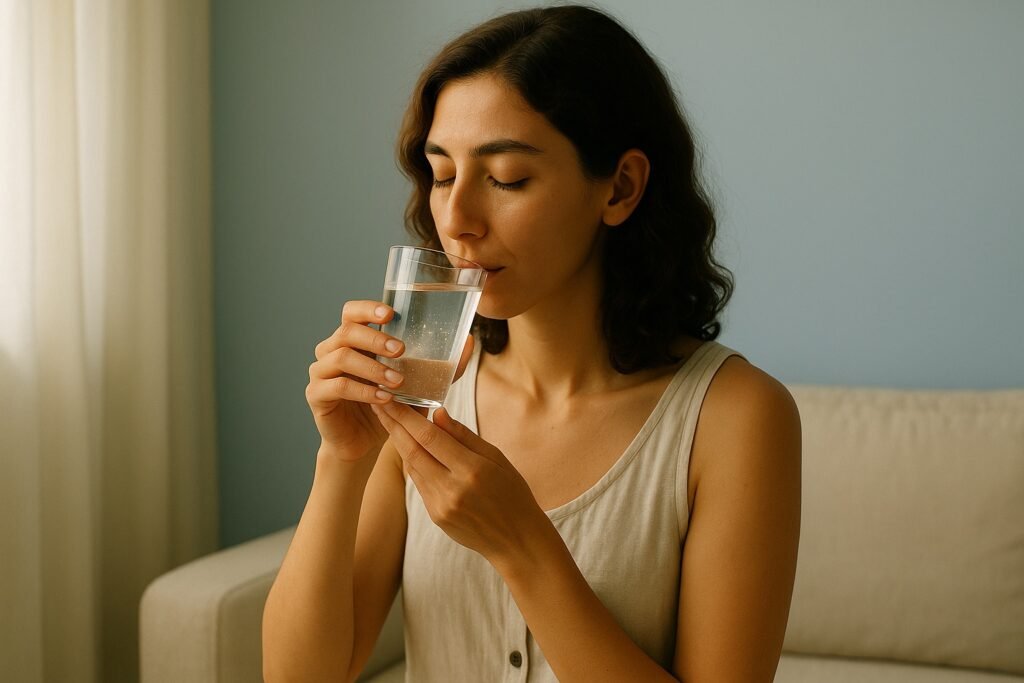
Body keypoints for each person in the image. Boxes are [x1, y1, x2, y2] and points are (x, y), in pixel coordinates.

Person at [263, 5, 801, 682]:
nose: (457, 221)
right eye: (443, 175)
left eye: (506, 178)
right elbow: (300, 676)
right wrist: (340, 462)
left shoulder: (736, 417)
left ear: (621, 187)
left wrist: (523, 546)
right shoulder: (425, 387)